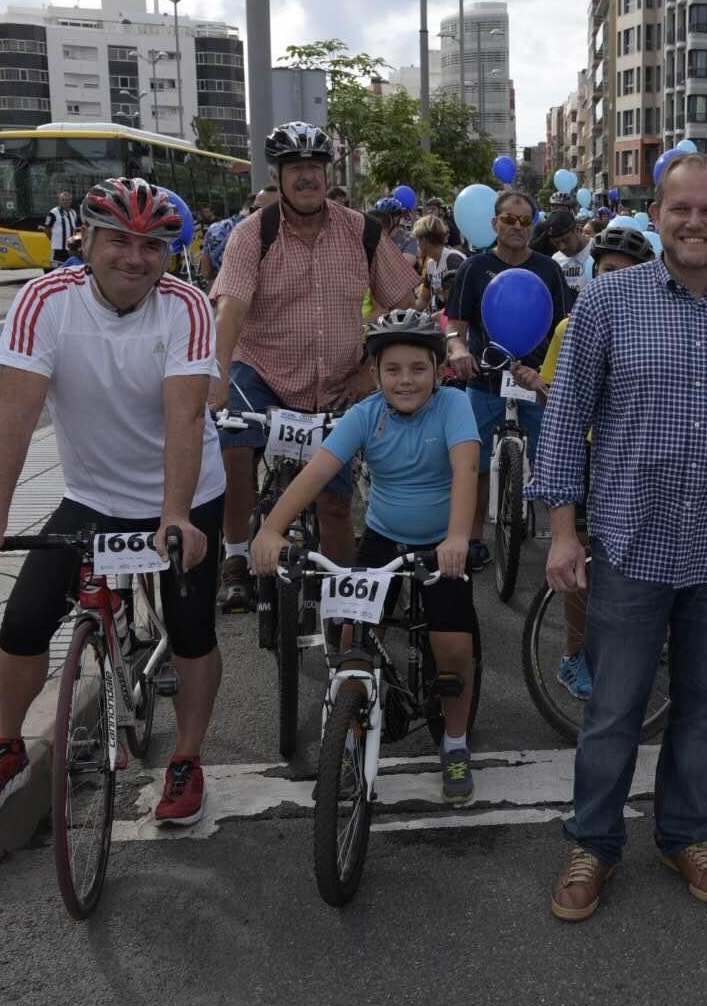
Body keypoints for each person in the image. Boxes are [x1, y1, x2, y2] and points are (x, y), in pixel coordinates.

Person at [531, 152, 707, 922]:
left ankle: (686, 834)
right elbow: (566, 418)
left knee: (705, 707)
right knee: (613, 708)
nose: (694, 222)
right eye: (680, 208)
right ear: (656, 217)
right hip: (631, 541)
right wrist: (562, 532)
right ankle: (593, 842)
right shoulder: (605, 303)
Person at [0, 178, 226, 824]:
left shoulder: (186, 305)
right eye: (119, 241)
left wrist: (175, 515)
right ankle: (5, 746)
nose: (135, 257)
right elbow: (14, 420)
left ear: (168, 253)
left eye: (152, 246)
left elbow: (186, 419)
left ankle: (186, 759)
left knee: (191, 630)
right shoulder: (44, 300)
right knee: (23, 622)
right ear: (88, 241)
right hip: (93, 492)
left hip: (183, 490)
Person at [251, 310, 482, 805]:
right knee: (352, 636)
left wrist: (458, 537)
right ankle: (351, 730)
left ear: (438, 371)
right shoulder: (365, 414)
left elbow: (466, 471)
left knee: (453, 647)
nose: (405, 380)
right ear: (375, 374)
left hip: (441, 541)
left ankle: (455, 743)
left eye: (418, 368)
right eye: (392, 369)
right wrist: (270, 529)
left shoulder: (455, 405)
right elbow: (316, 473)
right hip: (383, 536)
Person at [209, 121, 420, 608]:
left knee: (336, 502)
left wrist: (370, 369)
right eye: (294, 168)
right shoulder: (252, 233)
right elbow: (230, 309)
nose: (306, 176)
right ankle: (236, 556)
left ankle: (343, 607)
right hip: (262, 372)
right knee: (235, 446)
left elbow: (405, 304)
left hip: (337, 384)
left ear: (328, 173)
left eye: (315, 167)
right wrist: (216, 377)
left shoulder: (361, 230)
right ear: (277, 177)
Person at [535, 222, 658, 702]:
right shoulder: (571, 326)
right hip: (589, 456)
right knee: (581, 565)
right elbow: (554, 399)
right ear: (593, 272)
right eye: (608, 270)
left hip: (638, 459)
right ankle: (574, 654)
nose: (616, 280)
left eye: (628, 272)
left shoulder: (658, 328)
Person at [445, 190, 567, 572]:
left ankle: (563, 541)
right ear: (494, 223)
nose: (517, 226)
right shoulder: (474, 267)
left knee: (554, 462)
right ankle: (473, 539)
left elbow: (566, 328)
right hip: (485, 378)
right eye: (509, 219)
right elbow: (455, 326)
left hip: (536, 380)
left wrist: (551, 377)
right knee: (476, 466)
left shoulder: (549, 269)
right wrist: (458, 350)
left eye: (525, 220)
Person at [413, 213, 467, 314]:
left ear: (424, 240)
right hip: (444, 315)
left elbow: (459, 299)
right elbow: (423, 299)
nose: (417, 244)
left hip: (457, 318)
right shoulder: (431, 264)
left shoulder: (452, 259)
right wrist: (405, 313)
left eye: (417, 239)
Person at [43, 190, 80, 268]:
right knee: (57, 269)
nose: (65, 202)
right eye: (62, 200)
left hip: (71, 248)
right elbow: (46, 229)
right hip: (58, 248)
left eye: (67, 200)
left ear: (70, 201)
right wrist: (54, 240)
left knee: (70, 268)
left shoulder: (73, 213)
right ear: (59, 201)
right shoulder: (53, 212)